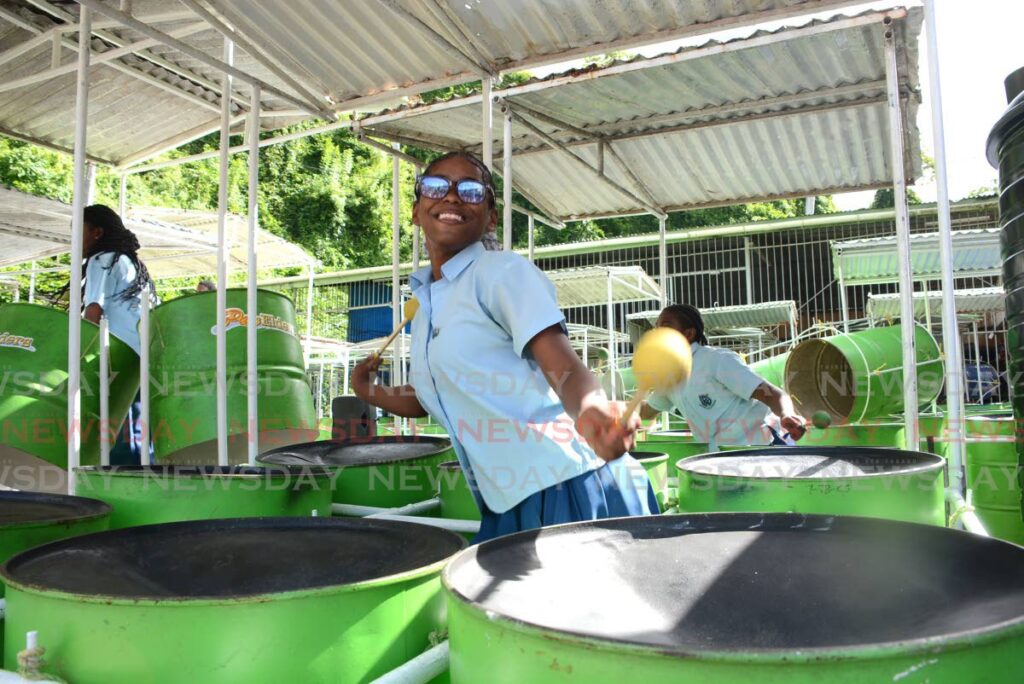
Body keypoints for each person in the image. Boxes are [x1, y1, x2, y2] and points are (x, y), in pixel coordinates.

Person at [351, 151, 657, 543]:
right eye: (435, 186)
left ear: (491, 217)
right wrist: (368, 391)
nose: (452, 197)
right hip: (506, 502)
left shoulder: (502, 273)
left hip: (571, 483)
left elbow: (562, 365)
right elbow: (435, 396)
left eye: (471, 190)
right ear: (415, 211)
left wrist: (593, 411)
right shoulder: (425, 303)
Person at [640, 304, 806, 450]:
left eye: (665, 327)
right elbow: (647, 411)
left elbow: (772, 394)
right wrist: (615, 410)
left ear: (689, 334)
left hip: (761, 449)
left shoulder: (717, 360)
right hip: (721, 459)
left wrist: (786, 414)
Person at [66, 205, 157, 464]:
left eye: (77, 231)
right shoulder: (133, 264)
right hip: (142, 358)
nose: (73, 239)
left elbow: (93, 311)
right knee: (136, 435)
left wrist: (78, 357)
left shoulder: (102, 259)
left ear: (96, 232)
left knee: (113, 433)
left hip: (116, 359)